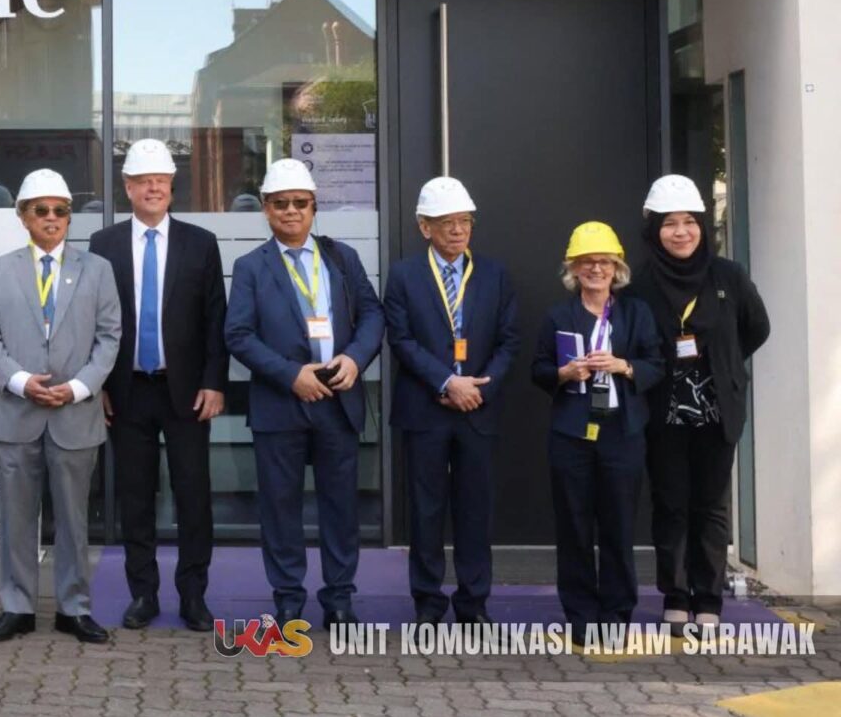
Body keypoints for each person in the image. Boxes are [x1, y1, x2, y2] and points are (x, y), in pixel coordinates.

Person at [224, 158, 384, 626]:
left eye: (300, 203)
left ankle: (339, 597)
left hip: (338, 400)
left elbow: (373, 315)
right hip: (280, 404)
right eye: (280, 204)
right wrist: (291, 375)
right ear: (266, 209)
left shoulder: (342, 258)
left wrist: (354, 359)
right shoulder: (250, 267)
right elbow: (238, 334)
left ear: (314, 207)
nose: (291, 211)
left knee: (341, 507)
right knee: (280, 508)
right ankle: (288, 597)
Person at [0, 169, 121, 644]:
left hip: (74, 413)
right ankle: (16, 607)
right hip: (16, 412)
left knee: (74, 520)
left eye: (61, 211)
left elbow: (109, 338)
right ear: (23, 216)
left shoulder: (97, 270)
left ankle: (73, 608)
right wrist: (20, 382)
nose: (52, 218)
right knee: (16, 519)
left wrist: (77, 388)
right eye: (41, 211)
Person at [88, 138, 227, 632]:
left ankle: (193, 595)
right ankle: (143, 594)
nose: (153, 188)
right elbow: (93, 321)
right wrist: (98, 384)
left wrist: (214, 382)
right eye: (143, 181)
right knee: (135, 497)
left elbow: (215, 319)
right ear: (127, 187)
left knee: (194, 496)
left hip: (186, 392)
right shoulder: (103, 244)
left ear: (171, 186)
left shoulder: (200, 243)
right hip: (126, 391)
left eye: (161, 180)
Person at [625, 175, 769, 635]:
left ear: (702, 227)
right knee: (670, 504)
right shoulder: (640, 284)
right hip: (663, 412)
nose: (681, 232)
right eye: (670, 223)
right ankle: (675, 596)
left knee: (710, 506)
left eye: (689, 222)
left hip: (716, 410)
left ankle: (708, 598)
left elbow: (756, 328)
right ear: (655, 230)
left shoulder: (728, 275)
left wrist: (723, 366)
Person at [385, 177, 518, 625]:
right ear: (425, 227)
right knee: (425, 511)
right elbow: (402, 340)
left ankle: (473, 602)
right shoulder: (404, 276)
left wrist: (479, 388)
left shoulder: (494, 275)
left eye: (465, 221)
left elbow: (509, 340)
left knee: (475, 510)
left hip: (478, 409)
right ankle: (427, 601)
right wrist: (446, 383)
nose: (458, 230)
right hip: (426, 409)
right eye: (447, 223)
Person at [531, 221, 664, 647]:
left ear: (617, 268)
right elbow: (538, 370)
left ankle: (617, 615)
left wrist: (624, 366)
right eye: (586, 262)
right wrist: (564, 373)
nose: (596, 269)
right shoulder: (558, 316)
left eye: (604, 262)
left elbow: (656, 365)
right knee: (574, 527)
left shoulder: (636, 313)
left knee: (618, 527)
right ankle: (581, 616)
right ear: (573, 269)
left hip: (621, 433)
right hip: (571, 434)